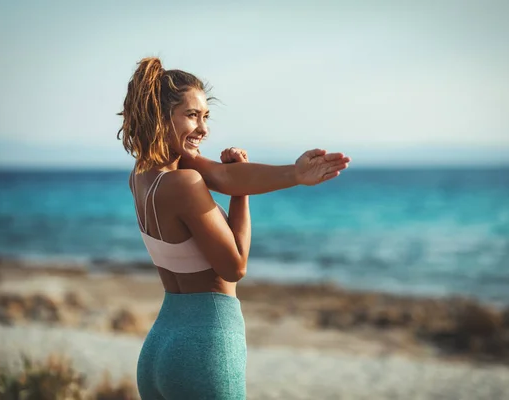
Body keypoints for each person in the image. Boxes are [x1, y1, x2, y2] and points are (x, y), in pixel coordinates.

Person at [117, 57, 350, 400]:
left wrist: (295, 174)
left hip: (159, 346)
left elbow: (226, 176)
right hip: (206, 347)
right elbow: (234, 266)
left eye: (205, 116)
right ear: (159, 116)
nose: (203, 129)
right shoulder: (185, 182)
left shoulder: (141, 177)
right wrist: (241, 198)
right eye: (192, 115)